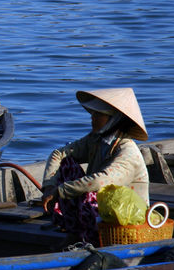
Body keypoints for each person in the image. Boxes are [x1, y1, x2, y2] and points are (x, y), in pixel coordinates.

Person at [41, 87, 149, 244]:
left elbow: (101, 181)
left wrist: (60, 191)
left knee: (87, 189)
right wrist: (49, 186)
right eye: (93, 114)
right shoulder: (96, 140)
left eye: (98, 115)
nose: (92, 118)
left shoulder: (128, 151)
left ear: (113, 119)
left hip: (125, 216)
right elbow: (59, 154)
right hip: (102, 206)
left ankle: (90, 238)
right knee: (66, 164)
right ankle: (75, 232)